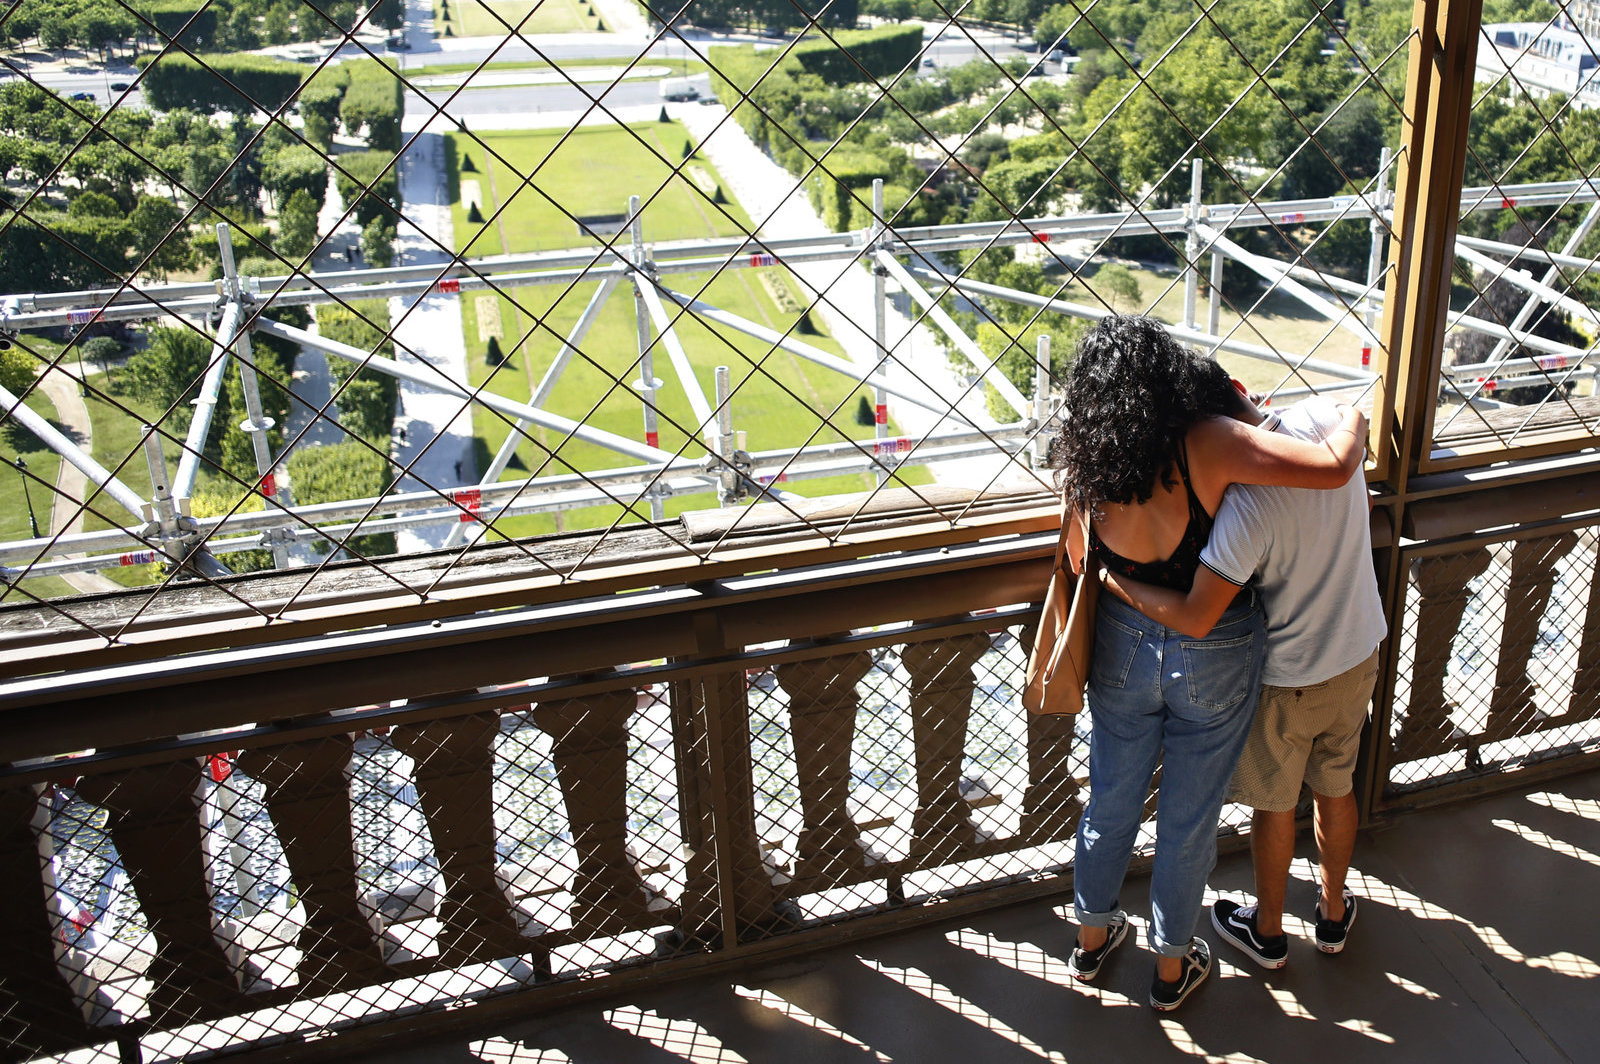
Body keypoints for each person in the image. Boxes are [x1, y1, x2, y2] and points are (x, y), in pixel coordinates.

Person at [1049, 316, 1366, 1012]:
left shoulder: (1084, 458)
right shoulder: (1206, 444)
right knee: (1188, 820)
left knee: (1110, 800)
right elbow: (1331, 467)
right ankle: (1171, 968)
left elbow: (1078, 558)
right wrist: (1354, 419)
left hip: (1123, 647)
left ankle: (1092, 941)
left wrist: (1114, 580)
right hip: (1214, 646)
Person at [1099, 377, 1385, 970]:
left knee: (1276, 803)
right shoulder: (1327, 419)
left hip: (1290, 673)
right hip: (1359, 647)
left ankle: (1271, 932)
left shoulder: (1246, 507)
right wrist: (1353, 424)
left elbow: (1198, 614)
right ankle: (1333, 914)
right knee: (1337, 783)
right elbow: (1354, 434)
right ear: (1238, 388)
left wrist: (1113, 581)